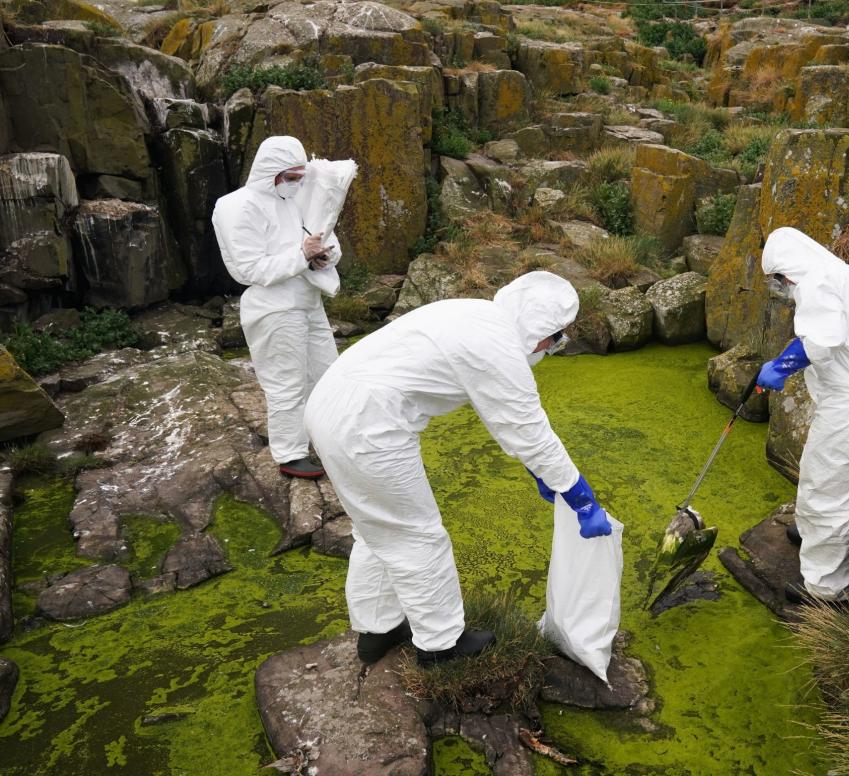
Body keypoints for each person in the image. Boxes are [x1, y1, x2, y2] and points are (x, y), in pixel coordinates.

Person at [304, 271, 612, 665]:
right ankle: (440, 645)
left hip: (329, 407)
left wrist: (540, 472)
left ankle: (376, 630)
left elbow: (505, 420)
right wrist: (579, 495)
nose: (552, 347)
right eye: (556, 338)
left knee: (375, 528)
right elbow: (528, 429)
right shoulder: (497, 345)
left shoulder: (474, 314)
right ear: (541, 329)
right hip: (367, 426)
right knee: (418, 535)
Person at [756, 227, 849, 606]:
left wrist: (780, 365)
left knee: (828, 494)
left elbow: (822, 340)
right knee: (826, 474)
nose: (783, 289)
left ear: (787, 272)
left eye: (779, 281)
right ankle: (808, 532)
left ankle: (826, 590)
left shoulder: (816, 283)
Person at [212, 136, 340, 480]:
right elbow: (249, 268)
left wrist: (323, 256)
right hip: (273, 308)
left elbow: (325, 240)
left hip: (307, 300)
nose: (298, 183)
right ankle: (290, 453)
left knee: (329, 375)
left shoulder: (296, 199)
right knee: (287, 382)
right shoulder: (237, 205)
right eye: (292, 177)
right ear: (272, 172)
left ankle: (329, 440)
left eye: (301, 176)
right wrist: (303, 255)